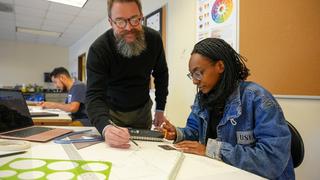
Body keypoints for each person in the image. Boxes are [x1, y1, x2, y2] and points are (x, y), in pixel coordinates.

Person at [162, 38, 294, 180]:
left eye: (198, 73)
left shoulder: (257, 98)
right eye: (192, 75)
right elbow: (195, 131)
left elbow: (272, 160)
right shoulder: (202, 98)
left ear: (219, 66)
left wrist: (212, 150)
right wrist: (177, 133)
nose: (194, 81)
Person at [86, 0, 169, 148]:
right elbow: (94, 95)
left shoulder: (154, 39)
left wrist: (160, 109)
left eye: (134, 19)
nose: (129, 27)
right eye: (120, 21)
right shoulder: (99, 50)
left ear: (141, 17)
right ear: (110, 22)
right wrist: (105, 127)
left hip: (142, 111)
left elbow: (161, 74)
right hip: (111, 113)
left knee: (144, 153)